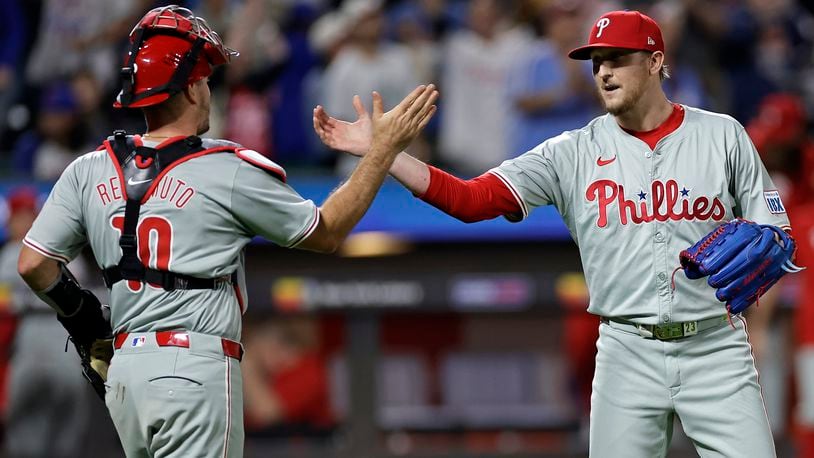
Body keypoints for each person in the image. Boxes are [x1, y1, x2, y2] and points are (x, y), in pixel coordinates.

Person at [314, 10, 789, 457]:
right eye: (597, 61)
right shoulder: (571, 153)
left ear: (655, 62)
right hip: (627, 350)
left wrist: (772, 240)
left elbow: (775, 230)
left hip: (715, 347)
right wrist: (384, 154)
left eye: (618, 59)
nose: (604, 71)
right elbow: (469, 200)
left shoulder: (721, 135)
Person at [16, 5, 437, 458]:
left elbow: (35, 263)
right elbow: (326, 231)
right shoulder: (224, 168)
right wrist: (382, 153)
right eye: (205, 79)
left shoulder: (89, 167)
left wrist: (83, 320)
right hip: (194, 366)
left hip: (125, 373)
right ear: (192, 88)